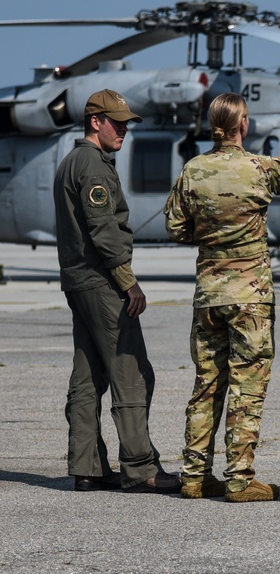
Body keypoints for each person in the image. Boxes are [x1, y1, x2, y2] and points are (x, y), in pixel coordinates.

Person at [164, 92, 280, 502]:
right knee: (247, 385)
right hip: (250, 295)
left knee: (206, 384)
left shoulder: (193, 170)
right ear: (244, 124)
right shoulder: (260, 168)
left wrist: (210, 237)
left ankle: (194, 475)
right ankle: (239, 477)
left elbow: (176, 227)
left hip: (210, 295)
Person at [54, 89, 181, 494]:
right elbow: (104, 230)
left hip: (79, 280)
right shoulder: (92, 166)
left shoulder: (72, 162)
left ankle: (87, 465)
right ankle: (140, 466)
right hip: (101, 281)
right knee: (132, 371)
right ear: (95, 122)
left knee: (89, 373)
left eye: (126, 122)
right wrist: (128, 281)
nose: (124, 129)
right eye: (116, 122)